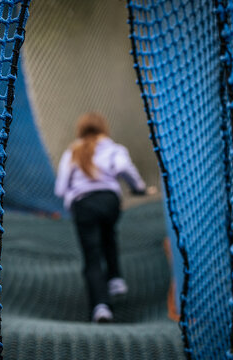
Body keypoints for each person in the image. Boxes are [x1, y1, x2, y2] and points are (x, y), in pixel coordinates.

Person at [54, 112, 147, 323]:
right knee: (108, 234)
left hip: (83, 204)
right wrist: (138, 188)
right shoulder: (114, 148)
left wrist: (72, 196)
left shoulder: (73, 151)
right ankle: (115, 278)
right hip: (108, 201)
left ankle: (101, 306)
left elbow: (60, 188)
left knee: (91, 256)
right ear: (104, 128)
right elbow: (124, 168)